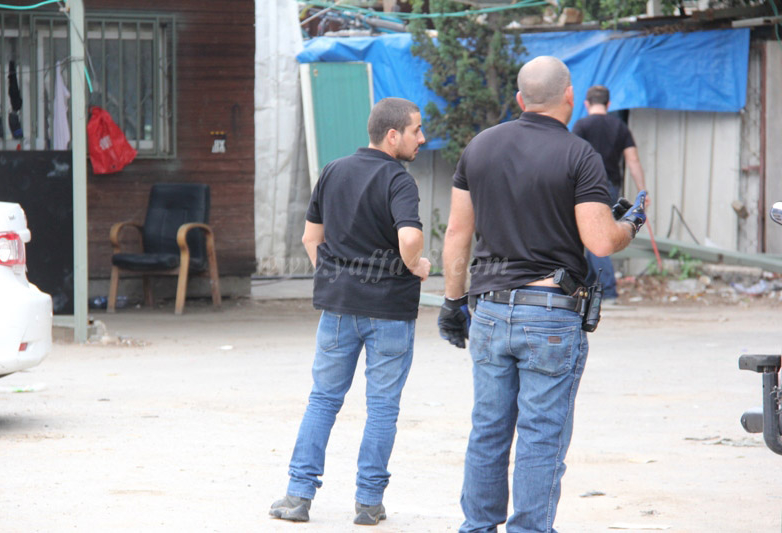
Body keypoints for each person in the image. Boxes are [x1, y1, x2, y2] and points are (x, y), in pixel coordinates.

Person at [437, 56, 645, 532]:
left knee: (488, 429)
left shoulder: (479, 147)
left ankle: (477, 526)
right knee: (541, 435)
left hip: (489, 311)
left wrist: (452, 302)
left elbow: (456, 233)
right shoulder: (579, 155)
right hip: (550, 313)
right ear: (569, 96)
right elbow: (600, 241)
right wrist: (630, 223)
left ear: (520, 99)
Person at [269, 97, 431, 526]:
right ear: (393, 135)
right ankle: (368, 503)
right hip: (390, 311)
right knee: (382, 407)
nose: (422, 138)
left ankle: (297, 496)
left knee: (323, 400)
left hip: (338, 308)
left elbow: (310, 238)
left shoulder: (333, 171)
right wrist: (417, 264)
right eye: (416, 130)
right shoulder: (399, 181)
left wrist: (334, 277)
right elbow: (409, 238)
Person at [572, 85, 649, 300]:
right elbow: (632, 160)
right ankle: (591, 286)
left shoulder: (581, 126)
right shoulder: (619, 127)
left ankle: (607, 289)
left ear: (586, 104)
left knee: (594, 235)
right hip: (610, 186)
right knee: (598, 233)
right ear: (609, 104)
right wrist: (642, 191)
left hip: (585, 186)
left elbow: (572, 158)